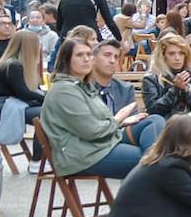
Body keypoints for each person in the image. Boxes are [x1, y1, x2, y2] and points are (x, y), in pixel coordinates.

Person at [40, 39, 165, 179]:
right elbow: (92, 131)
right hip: (86, 155)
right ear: (66, 59)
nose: (86, 59)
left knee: (154, 120)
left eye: (89, 54)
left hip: (105, 142)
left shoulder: (83, 87)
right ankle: (156, 172)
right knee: (161, 161)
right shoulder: (64, 90)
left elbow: (101, 123)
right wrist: (119, 119)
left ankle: (155, 170)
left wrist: (119, 121)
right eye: (80, 55)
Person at [0, 30, 45, 171]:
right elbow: (23, 92)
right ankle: (37, 160)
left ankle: (43, 157)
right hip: (2, 105)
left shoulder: (15, 63)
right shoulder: (13, 65)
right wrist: (46, 97)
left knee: (49, 111)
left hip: (11, 102)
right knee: (45, 115)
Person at [141, 34, 191, 119]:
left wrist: (187, 92)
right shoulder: (151, 79)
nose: (177, 58)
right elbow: (153, 111)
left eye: (181, 53)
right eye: (171, 54)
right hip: (166, 126)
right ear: (162, 56)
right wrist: (175, 90)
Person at [88, 39, 136, 113]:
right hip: (92, 124)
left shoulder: (126, 89)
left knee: (155, 119)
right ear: (93, 59)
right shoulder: (83, 88)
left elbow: (133, 118)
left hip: (123, 124)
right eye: (107, 55)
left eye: (116, 57)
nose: (112, 60)